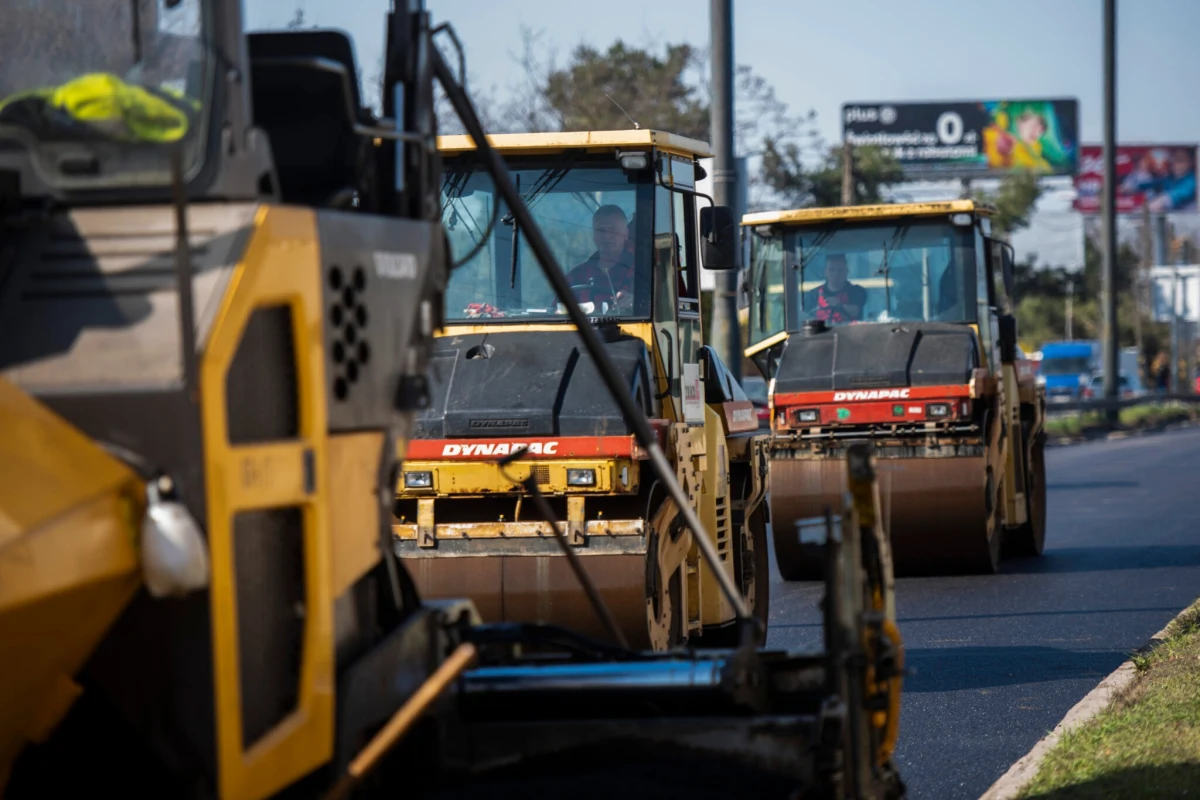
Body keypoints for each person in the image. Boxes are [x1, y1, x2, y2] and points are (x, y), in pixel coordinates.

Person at [565, 204, 635, 310]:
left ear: (626, 234)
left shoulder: (641, 273)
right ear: (594, 235)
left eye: (613, 230)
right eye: (601, 231)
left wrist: (634, 303)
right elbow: (554, 312)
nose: (607, 236)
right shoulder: (576, 276)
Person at [803, 254, 867, 324]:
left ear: (847, 271)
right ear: (825, 272)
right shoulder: (813, 294)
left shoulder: (857, 291)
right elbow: (805, 316)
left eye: (840, 270)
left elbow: (855, 311)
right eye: (831, 270)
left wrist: (839, 305)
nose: (836, 274)